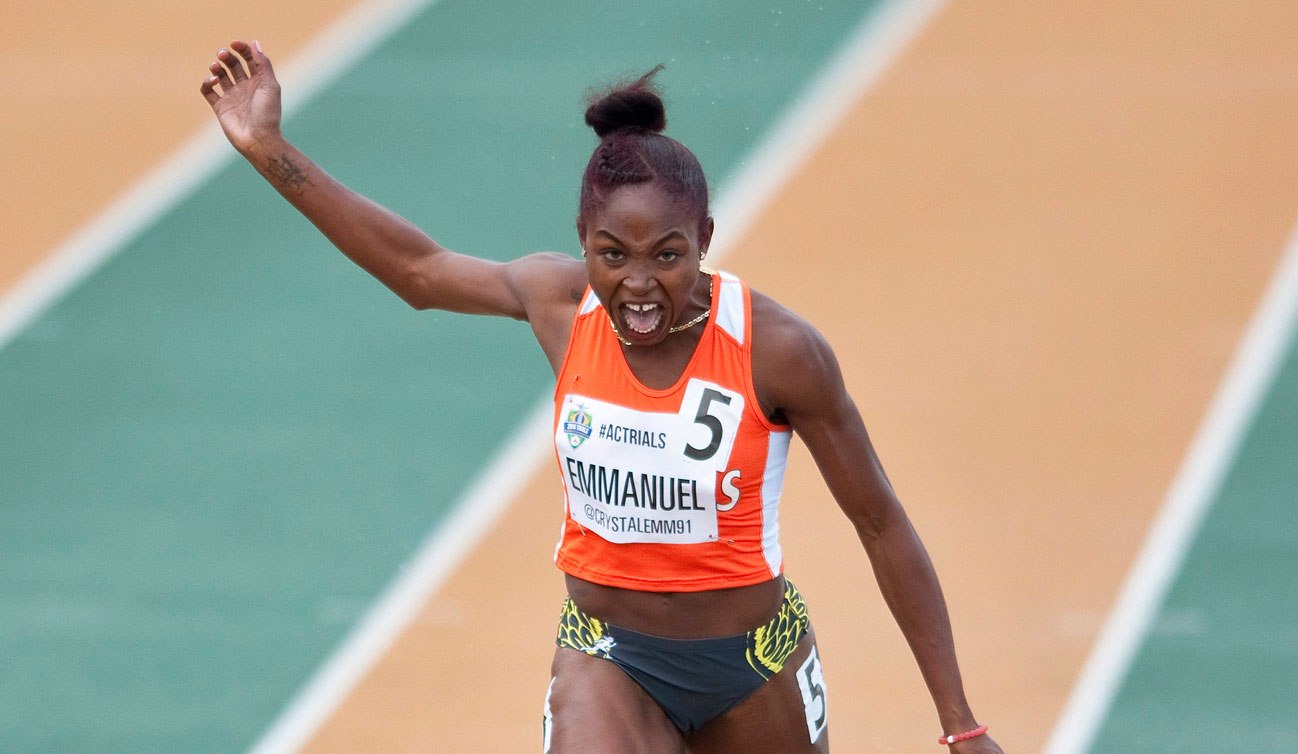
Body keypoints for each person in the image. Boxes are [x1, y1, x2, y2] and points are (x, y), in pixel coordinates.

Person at [201, 40, 1005, 754]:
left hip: (755, 663)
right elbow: (417, 271)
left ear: (706, 243)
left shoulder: (780, 352)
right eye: (612, 255)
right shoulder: (559, 302)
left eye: (668, 254)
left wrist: (959, 721)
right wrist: (269, 148)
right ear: (582, 243)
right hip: (609, 658)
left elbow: (880, 523)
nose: (640, 284)